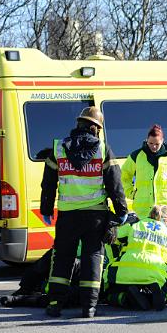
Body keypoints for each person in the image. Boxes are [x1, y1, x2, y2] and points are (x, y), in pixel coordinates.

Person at [40, 106, 128, 318]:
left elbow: (48, 183)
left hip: (67, 215)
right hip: (95, 216)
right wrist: (121, 211)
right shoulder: (103, 149)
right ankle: (88, 307)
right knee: (92, 258)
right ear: (93, 127)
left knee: (62, 258)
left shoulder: (59, 148)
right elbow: (115, 184)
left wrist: (46, 208)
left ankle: (54, 304)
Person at [105, 204, 167, 310]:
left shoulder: (135, 225)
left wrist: (114, 259)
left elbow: (112, 239)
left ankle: (125, 298)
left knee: (108, 294)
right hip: (154, 272)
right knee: (165, 288)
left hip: (125, 270)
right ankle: (153, 296)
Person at [121, 124, 167, 221]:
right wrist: (131, 193)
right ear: (147, 140)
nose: (153, 146)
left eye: (157, 144)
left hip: (166, 213)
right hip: (143, 213)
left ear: (162, 141)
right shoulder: (137, 156)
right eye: (150, 143)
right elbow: (124, 175)